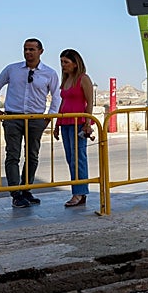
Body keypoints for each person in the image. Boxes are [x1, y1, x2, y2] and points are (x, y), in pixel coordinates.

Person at [0, 38, 63, 208]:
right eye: (25, 49)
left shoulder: (49, 73)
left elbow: (56, 96)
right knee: (12, 155)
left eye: (32, 49)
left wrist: (49, 118)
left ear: (40, 51)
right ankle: (16, 193)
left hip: (35, 119)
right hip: (13, 118)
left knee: (32, 155)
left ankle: (26, 188)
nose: (28, 52)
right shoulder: (12, 69)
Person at [52, 48, 95, 208]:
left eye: (66, 62)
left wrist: (88, 123)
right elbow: (62, 103)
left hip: (78, 122)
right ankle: (77, 191)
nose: (63, 65)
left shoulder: (83, 79)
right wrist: (57, 124)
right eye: (61, 62)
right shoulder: (66, 80)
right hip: (65, 123)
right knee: (70, 158)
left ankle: (80, 192)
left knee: (79, 158)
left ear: (75, 64)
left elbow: (89, 102)